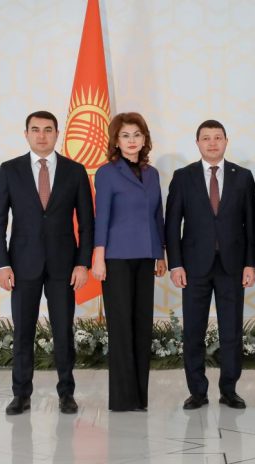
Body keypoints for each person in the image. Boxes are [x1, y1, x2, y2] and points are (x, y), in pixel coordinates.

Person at [0, 110, 94, 415]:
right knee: (23, 332)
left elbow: (87, 223)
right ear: (26, 134)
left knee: (63, 332)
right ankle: (21, 395)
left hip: (64, 266)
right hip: (22, 266)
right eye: (35, 130)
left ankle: (66, 393)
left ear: (57, 133)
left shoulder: (75, 171)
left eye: (48, 129)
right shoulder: (9, 170)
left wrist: (82, 263)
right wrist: (2, 265)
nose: (42, 135)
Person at [165, 119, 255, 410]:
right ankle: (197, 391)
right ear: (198, 143)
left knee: (232, 332)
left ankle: (229, 390)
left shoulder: (243, 177)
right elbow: (172, 224)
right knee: (194, 331)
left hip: (232, 266)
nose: (213, 143)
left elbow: (251, 224)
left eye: (218, 137)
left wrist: (250, 264)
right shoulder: (183, 176)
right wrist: (175, 264)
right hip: (193, 268)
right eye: (206, 138)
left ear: (226, 141)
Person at [91, 112, 167, 411]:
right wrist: (98, 256)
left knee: (141, 326)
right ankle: (123, 399)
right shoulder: (107, 173)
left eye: (137, 134)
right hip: (116, 258)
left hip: (146, 256)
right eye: (125, 135)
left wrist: (160, 253)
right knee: (121, 327)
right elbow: (101, 216)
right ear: (116, 140)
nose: (132, 140)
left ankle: (139, 397)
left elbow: (157, 215)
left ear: (145, 138)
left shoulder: (152, 173)